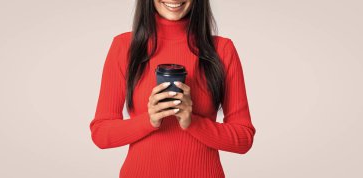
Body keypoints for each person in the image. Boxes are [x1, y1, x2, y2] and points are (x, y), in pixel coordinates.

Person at [89, 0, 256, 177]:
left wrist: (193, 122)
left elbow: (243, 139)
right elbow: (101, 134)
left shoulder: (222, 50)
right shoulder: (124, 47)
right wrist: (149, 120)